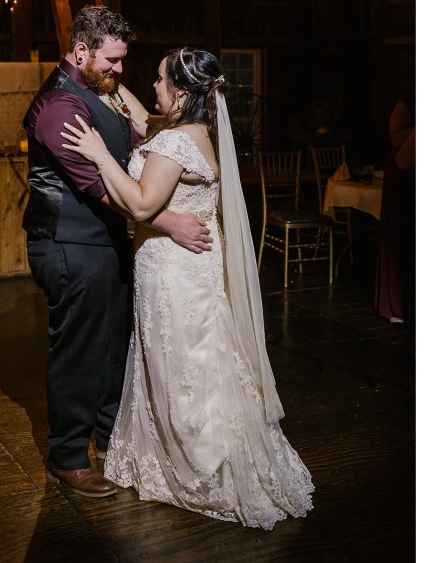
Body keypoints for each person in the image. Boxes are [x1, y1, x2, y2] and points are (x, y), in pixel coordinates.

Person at [61, 47, 314, 528]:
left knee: (182, 366)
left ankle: (200, 467)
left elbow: (138, 204)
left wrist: (98, 154)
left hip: (175, 272)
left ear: (179, 90)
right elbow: (143, 115)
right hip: (184, 268)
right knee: (195, 359)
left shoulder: (174, 143)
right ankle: (193, 453)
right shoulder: (196, 130)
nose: (151, 86)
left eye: (158, 79)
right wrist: (109, 78)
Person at [22, 8, 212, 498]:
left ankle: (110, 437)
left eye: (124, 61)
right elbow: (101, 191)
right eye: (112, 60)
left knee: (112, 346)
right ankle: (67, 457)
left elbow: (142, 136)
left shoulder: (97, 93)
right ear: (81, 51)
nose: (119, 70)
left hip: (105, 242)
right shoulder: (61, 107)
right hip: (69, 244)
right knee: (79, 349)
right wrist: (171, 223)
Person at [374, 94, 415, 330]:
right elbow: (398, 147)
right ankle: (396, 302)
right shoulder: (407, 102)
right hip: (403, 182)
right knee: (400, 238)